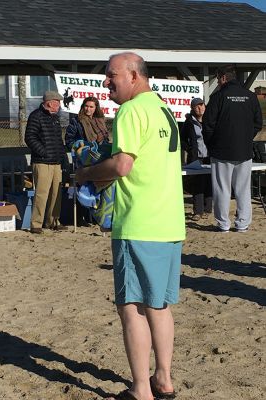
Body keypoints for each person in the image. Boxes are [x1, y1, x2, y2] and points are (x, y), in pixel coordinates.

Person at [75, 52, 185, 400]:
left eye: (111, 75)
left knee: (132, 307)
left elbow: (122, 166)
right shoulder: (163, 109)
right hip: (169, 222)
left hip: (139, 222)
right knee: (160, 305)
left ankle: (141, 390)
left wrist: (87, 173)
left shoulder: (131, 110)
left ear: (134, 76)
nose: (106, 82)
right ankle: (163, 379)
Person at [202, 65, 263, 233]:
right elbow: (258, 122)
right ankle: (242, 223)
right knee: (243, 189)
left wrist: (212, 144)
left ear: (223, 78)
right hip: (244, 150)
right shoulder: (250, 97)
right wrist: (245, 138)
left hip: (221, 151)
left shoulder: (218, 96)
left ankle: (223, 224)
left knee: (222, 188)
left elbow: (207, 125)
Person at [25, 90, 67, 234]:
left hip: (56, 162)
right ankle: (36, 223)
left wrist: (63, 158)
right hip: (42, 162)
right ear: (50, 103)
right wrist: (44, 152)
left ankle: (53, 221)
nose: (59, 106)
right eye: (58, 103)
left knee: (57, 193)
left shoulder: (55, 118)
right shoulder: (36, 116)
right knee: (41, 193)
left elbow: (58, 141)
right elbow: (30, 137)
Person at [181, 98, 212, 221]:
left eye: (202, 105)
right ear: (192, 108)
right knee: (197, 184)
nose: (200, 108)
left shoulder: (210, 120)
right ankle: (198, 212)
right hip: (196, 157)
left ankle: (208, 209)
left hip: (209, 156)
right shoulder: (189, 122)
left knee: (209, 183)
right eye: (197, 106)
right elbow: (182, 139)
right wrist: (189, 149)